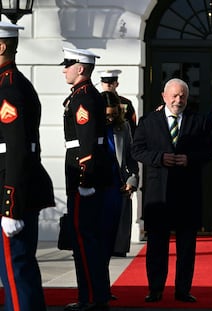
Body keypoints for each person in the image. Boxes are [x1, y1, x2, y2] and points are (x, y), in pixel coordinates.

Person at [132, 78, 212, 303]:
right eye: (175, 96)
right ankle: (155, 289)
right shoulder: (149, 121)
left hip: (188, 194)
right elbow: (137, 150)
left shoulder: (199, 121)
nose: (179, 100)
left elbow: (209, 151)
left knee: (186, 248)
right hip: (159, 195)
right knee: (157, 246)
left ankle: (183, 290)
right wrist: (159, 158)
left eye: (183, 96)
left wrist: (190, 159)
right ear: (164, 96)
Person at [0, 21, 55, 311]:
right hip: (18, 189)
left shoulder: (9, 89)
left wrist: (11, 205)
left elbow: (17, 149)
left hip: (13, 193)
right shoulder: (9, 83)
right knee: (19, 270)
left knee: (15, 269)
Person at [60, 47, 113, 311]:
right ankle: (92, 295)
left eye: (68, 65)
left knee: (85, 239)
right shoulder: (83, 95)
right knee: (86, 238)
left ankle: (91, 297)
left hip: (84, 179)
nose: (64, 69)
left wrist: (85, 181)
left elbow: (88, 144)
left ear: (81, 68)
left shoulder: (83, 98)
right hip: (84, 176)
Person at [101, 90, 138, 262]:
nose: (110, 118)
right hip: (98, 186)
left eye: (114, 114)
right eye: (107, 115)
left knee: (117, 245)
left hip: (119, 185)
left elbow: (130, 157)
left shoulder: (123, 127)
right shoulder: (91, 127)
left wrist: (132, 180)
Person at [99, 69, 137, 134]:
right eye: (105, 82)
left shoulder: (125, 102)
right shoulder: (96, 101)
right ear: (101, 84)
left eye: (111, 83)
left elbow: (132, 123)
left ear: (116, 84)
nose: (108, 85)